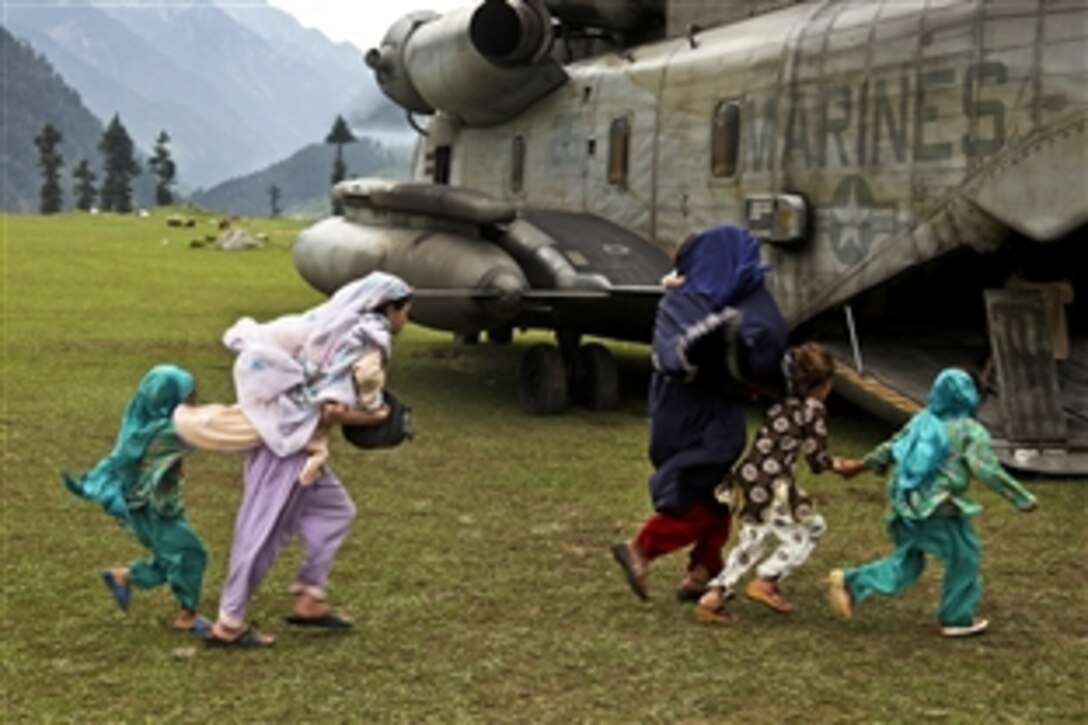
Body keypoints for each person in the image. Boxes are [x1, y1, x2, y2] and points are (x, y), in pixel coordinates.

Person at [202, 271, 413, 648]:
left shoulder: (334, 326)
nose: (405, 321)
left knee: (336, 511)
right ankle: (229, 624)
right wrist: (378, 417)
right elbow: (332, 411)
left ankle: (309, 599)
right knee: (262, 534)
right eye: (405, 312)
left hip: (301, 447)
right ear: (390, 309)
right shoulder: (368, 343)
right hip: (289, 447)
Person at [611, 225, 788, 603]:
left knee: (718, 495)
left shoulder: (718, 300)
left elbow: (758, 352)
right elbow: (676, 356)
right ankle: (642, 547)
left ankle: (704, 571)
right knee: (702, 499)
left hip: (691, 411)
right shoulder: (685, 303)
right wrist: (717, 340)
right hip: (696, 417)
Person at [828, 368, 1039, 637]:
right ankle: (956, 617)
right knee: (965, 555)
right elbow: (987, 470)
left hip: (907, 502)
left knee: (908, 561)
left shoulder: (921, 420)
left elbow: (892, 447)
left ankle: (851, 583)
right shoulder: (969, 431)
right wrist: (1022, 498)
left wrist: (860, 466)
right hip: (938, 507)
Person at [695, 342, 851, 623]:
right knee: (806, 531)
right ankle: (762, 580)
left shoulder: (782, 402)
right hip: (773, 486)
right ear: (824, 384)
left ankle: (717, 594)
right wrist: (841, 466)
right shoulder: (813, 408)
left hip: (749, 478)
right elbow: (817, 460)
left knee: (754, 540)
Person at [62, 364, 211, 635]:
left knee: (170, 556)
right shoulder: (169, 431)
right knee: (192, 554)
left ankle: (123, 576)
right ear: (168, 400)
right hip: (155, 511)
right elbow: (210, 433)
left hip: (148, 507)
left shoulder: (140, 428)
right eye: (188, 397)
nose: (194, 401)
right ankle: (187, 616)